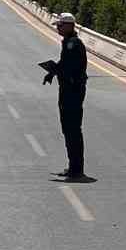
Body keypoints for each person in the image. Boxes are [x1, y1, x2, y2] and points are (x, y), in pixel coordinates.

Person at [43, 11, 91, 181]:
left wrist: (54, 70)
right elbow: (64, 65)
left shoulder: (73, 44)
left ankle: (77, 169)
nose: (58, 28)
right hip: (68, 90)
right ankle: (73, 167)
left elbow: (69, 67)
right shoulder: (68, 43)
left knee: (72, 130)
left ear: (70, 26)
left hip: (72, 92)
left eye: (61, 25)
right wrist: (52, 73)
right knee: (68, 130)